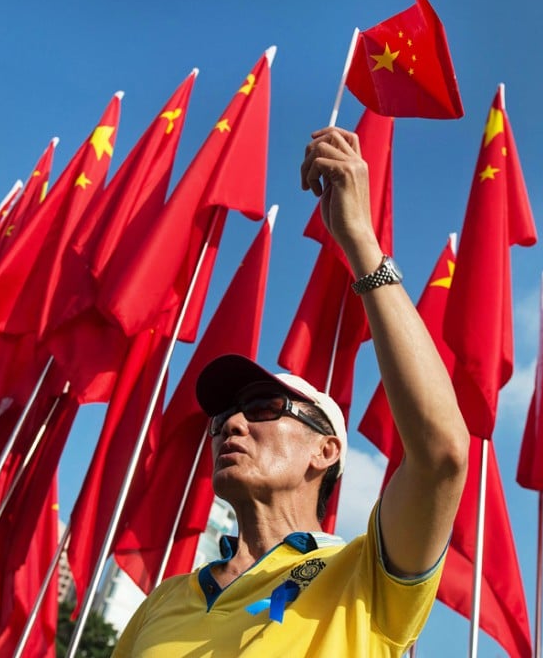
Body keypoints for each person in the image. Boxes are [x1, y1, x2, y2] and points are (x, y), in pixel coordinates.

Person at [112, 126, 469, 656]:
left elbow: (441, 454)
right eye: (223, 417)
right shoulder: (161, 604)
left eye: (261, 407)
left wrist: (360, 242)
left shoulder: (364, 578)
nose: (231, 424)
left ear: (326, 450)